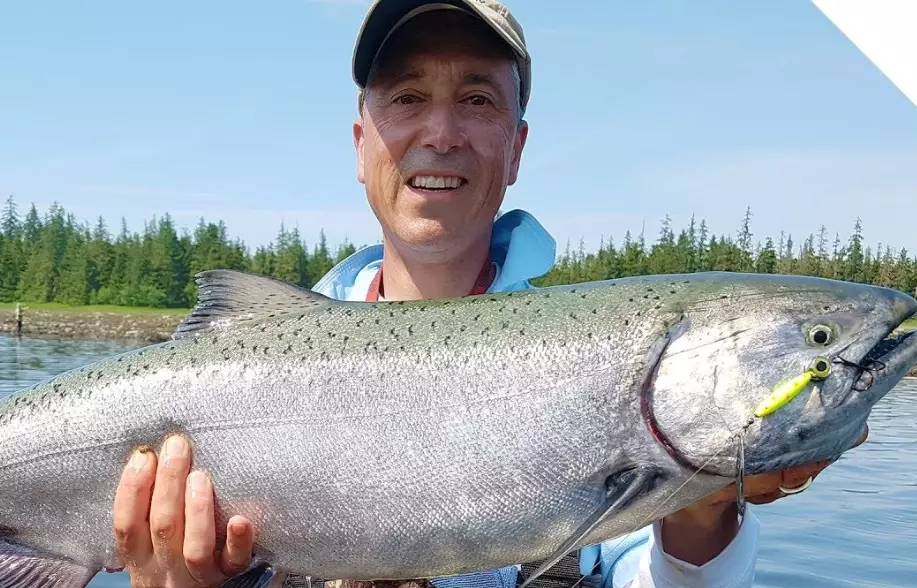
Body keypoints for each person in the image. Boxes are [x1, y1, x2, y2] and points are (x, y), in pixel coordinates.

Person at [111, 1, 868, 587]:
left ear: (516, 146)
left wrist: (703, 506)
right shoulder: (249, 361)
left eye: (476, 99)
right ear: (360, 143)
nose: (441, 131)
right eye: (406, 97)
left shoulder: (610, 366)